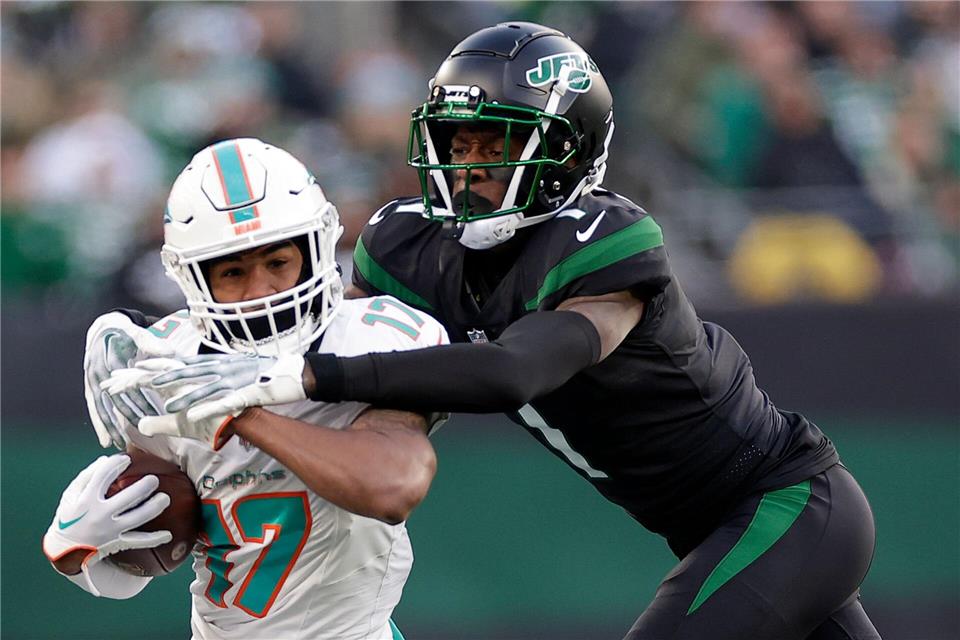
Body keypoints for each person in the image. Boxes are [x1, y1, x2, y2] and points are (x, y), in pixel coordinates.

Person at [110, 23, 881, 640]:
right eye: (459, 143)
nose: (471, 166)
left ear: (569, 150)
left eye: (499, 143)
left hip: (785, 506)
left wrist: (298, 379)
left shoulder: (605, 242)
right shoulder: (408, 246)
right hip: (702, 530)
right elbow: (322, 324)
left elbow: (516, 372)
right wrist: (177, 348)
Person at [43, 138, 448, 640]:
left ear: (316, 247)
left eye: (277, 262)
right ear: (192, 279)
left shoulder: (375, 337)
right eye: (233, 272)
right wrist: (84, 541)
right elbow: (152, 548)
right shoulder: (162, 361)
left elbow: (392, 486)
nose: (260, 292)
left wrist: (242, 412)